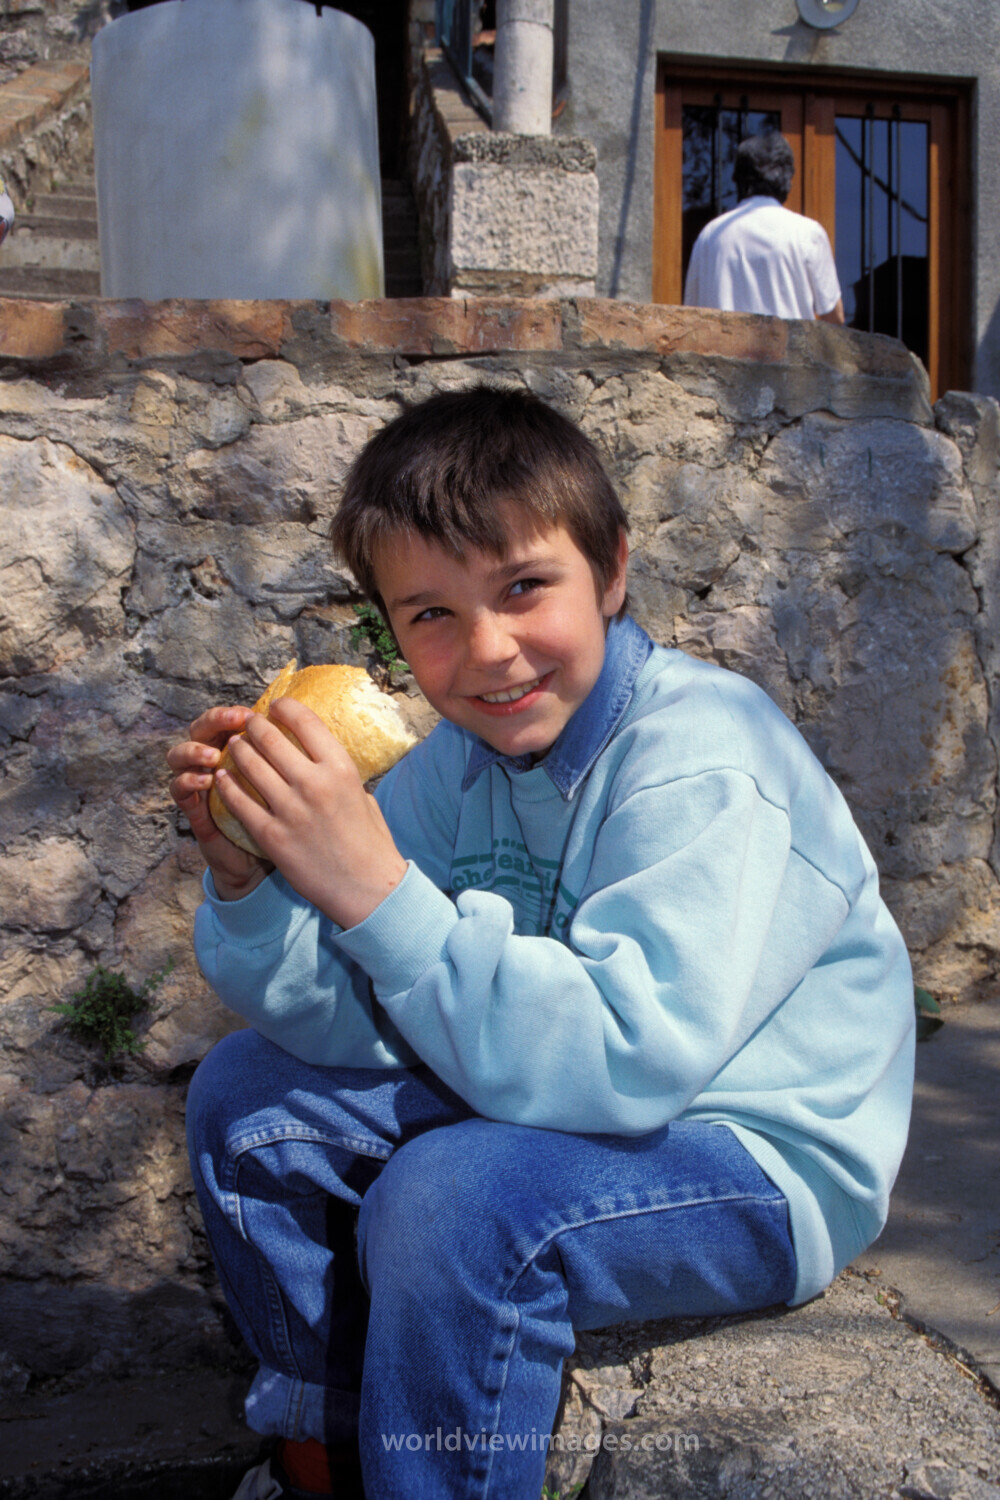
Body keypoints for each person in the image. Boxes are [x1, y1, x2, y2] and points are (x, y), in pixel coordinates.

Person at [168, 385, 914, 1500]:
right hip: (564, 1099)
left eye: (524, 588)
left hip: (752, 1152)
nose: (488, 651)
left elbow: (631, 1055)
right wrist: (250, 880)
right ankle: (328, 1440)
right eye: (429, 614)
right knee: (245, 1096)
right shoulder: (449, 770)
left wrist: (374, 889)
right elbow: (360, 1016)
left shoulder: (707, 752)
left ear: (610, 570)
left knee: (455, 1197)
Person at [684, 131, 845, 324]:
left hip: (722, 352)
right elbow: (834, 320)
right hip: (792, 353)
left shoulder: (710, 236)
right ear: (787, 179)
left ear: (738, 179)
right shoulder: (808, 233)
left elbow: (689, 318)